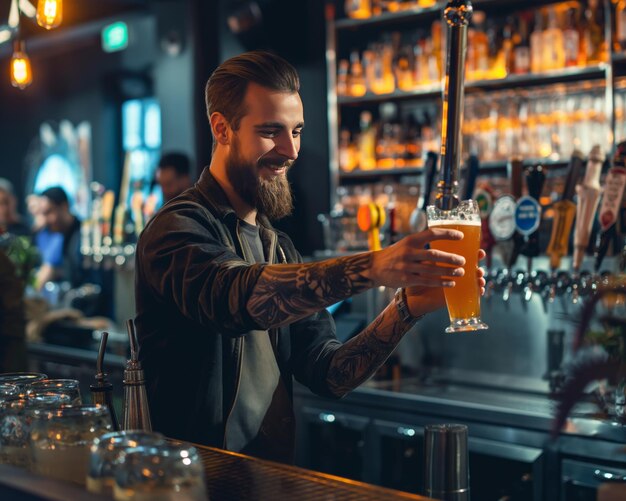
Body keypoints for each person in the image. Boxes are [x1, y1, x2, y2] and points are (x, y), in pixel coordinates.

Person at [135, 50, 485, 463]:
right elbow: (236, 297)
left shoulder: (278, 247)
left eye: (297, 131)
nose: (291, 149)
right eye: (271, 131)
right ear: (222, 128)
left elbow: (330, 373)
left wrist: (405, 309)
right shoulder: (177, 229)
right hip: (186, 483)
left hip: (267, 483)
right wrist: (374, 266)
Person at [38, 187, 83, 287]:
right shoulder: (60, 235)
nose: (45, 221)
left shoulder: (83, 235)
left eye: (48, 212)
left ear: (64, 207)